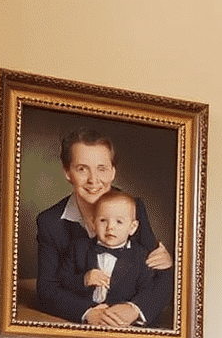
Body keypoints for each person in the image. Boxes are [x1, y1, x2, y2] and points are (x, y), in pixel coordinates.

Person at [35, 124, 172, 323]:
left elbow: (162, 278)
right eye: (82, 169)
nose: (93, 180)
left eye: (102, 169)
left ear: (113, 172)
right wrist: (88, 313)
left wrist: (135, 308)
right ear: (67, 173)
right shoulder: (50, 222)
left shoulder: (133, 208)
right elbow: (47, 290)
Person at [62, 189, 172, 328]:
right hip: (88, 323)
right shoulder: (79, 248)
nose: (110, 227)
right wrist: (84, 279)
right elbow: (63, 281)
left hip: (125, 324)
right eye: (103, 220)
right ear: (93, 223)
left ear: (132, 227)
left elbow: (148, 290)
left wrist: (132, 309)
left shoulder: (141, 256)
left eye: (119, 222)